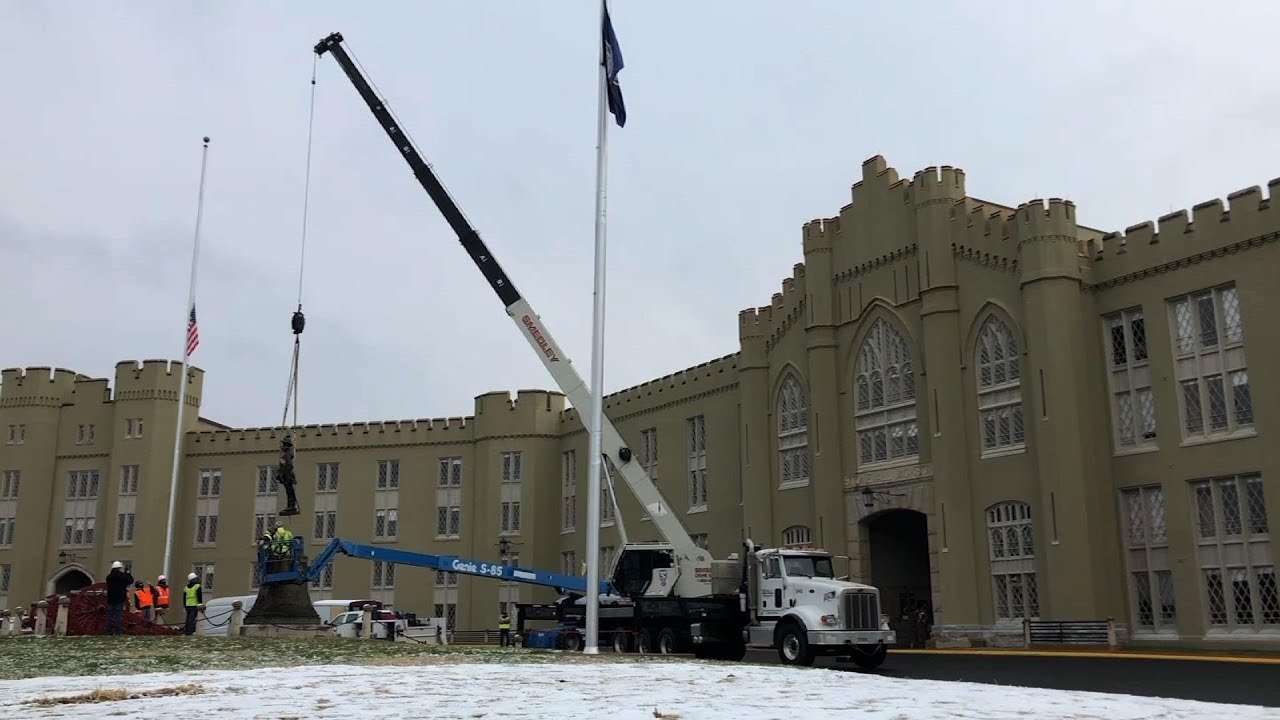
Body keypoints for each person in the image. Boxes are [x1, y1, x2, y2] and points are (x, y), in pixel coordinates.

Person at [104, 561, 133, 635]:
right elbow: (130, 580)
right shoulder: (122, 576)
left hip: (111, 598)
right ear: (119, 568)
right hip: (120, 597)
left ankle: (108, 630)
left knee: (110, 615)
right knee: (118, 615)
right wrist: (128, 573)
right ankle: (118, 631)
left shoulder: (109, 577)